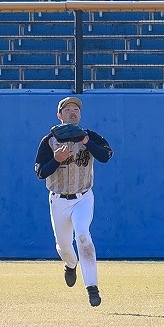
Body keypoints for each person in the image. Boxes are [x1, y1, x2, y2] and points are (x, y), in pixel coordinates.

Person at [34, 96, 113, 307]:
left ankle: (92, 287)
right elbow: (40, 172)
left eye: (76, 109)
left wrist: (86, 142)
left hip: (83, 197)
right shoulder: (49, 140)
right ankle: (70, 264)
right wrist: (56, 160)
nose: (72, 112)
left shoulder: (89, 136)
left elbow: (105, 156)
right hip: (58, 200)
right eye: (67, 109)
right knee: (64, 247)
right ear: (59, 115)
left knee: (83, 235)